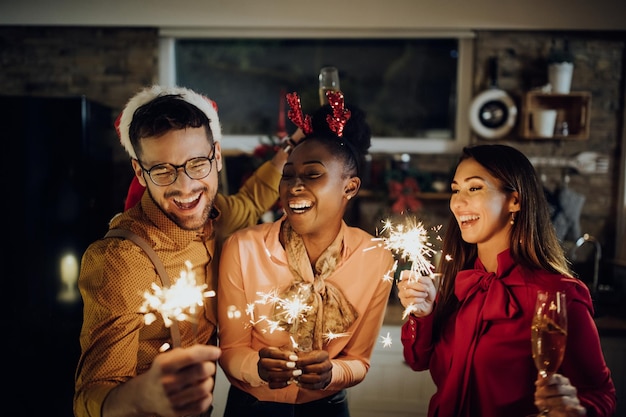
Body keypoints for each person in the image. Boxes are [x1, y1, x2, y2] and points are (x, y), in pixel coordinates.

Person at [74, 85, 299, 417]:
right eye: (163, 170)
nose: (184, 187)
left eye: (197, 163)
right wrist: (140, 397)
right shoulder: (120, 259)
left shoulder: (216, 213)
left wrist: (291, 148)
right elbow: (90, 396)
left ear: (217, 156)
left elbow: (251, 200)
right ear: (140, 172)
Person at [397, 144, 616, 417]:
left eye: (474, 188)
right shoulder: (453, 282)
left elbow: (601, 394)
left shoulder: (558, 294)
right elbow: (417, 361)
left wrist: (576, 409)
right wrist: (422, 314)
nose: (457, 202)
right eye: (455, 190)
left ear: (515, 200)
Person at [217, 91, 394, 417]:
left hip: (327, 408)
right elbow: (230, 350)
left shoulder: (376, 257)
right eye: (287, 175)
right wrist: (257, 367)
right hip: (252, 408)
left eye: (312, 174)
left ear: (350, 187)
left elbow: (359, 361)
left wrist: (332, 373)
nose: (294, 186)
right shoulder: (242, 248)